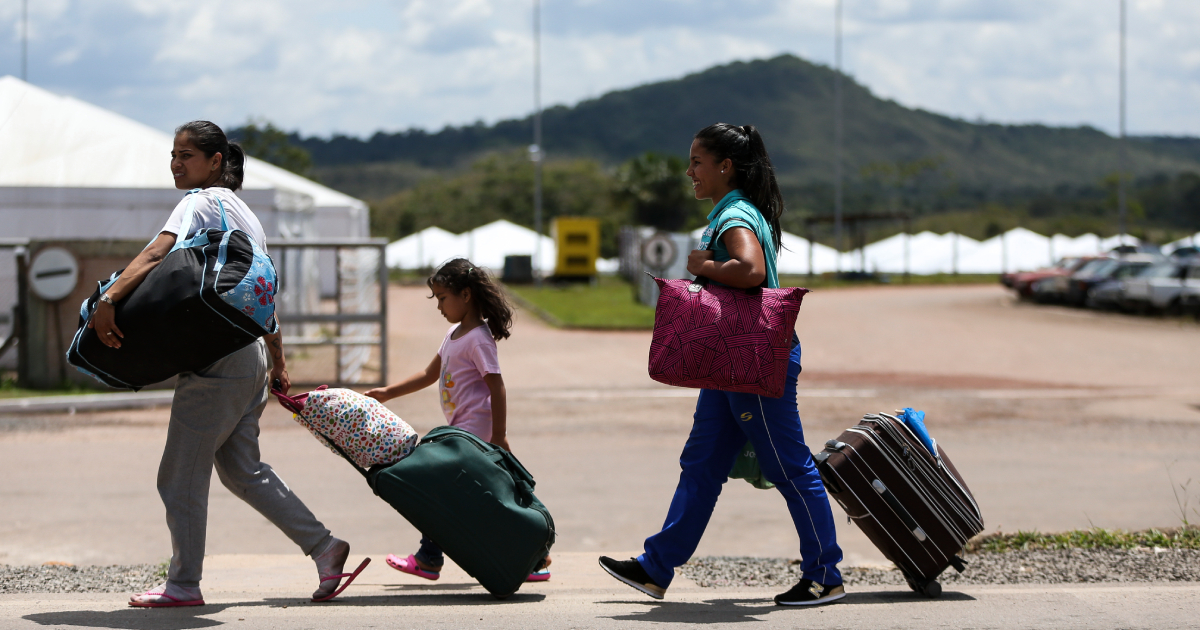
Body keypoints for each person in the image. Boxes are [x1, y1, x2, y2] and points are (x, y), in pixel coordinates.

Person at [90, 121, 363, 607]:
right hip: (249, 354)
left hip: (218, 360)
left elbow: (157, 253)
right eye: (173, 156)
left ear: (215, 162)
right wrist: (277, 359)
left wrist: (107, 299)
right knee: (242, 470)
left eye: (187, 156)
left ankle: (183, 585)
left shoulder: (199, 201)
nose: (177, 164)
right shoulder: (247, 217)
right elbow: (260, 294)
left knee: (179, 475)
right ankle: (324, 547)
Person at [598, 123, 845, 606]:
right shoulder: (734, 212)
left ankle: (825, 575)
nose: (689, 171)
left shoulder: (734, 215)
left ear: (725, 166)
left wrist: (703, 267)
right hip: (728, 362)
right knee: (701, 463)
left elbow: (749, 271)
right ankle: (656, 567)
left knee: (790, 467)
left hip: (751, 360)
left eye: (696, 161)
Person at [365, 258, 551, 582]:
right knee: (476, 499)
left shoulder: (478, 339)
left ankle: (430, 557)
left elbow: (498, 387)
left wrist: (500, 435)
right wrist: (387, 392)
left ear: (465, 295)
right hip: (460, 432)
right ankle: (534, 559)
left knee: (443, 489)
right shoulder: (454, 334)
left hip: (475, 435)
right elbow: (428, 374)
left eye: (442, 298)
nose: (439, 306)